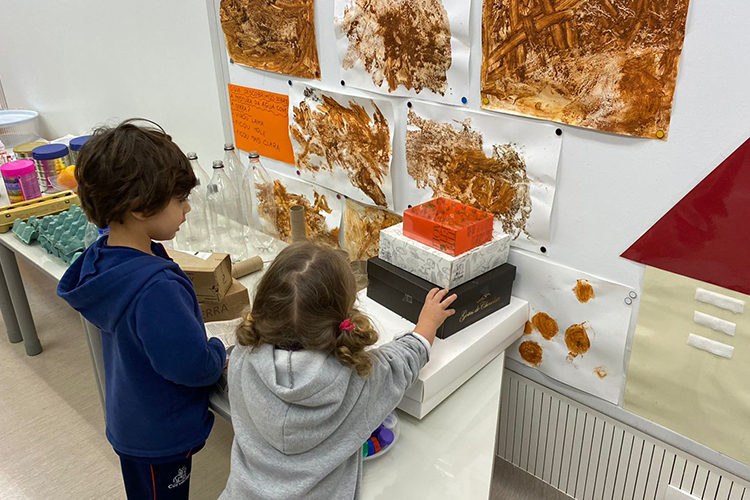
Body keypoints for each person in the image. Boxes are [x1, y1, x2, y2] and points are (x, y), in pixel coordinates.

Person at [58, 119, 226, 499]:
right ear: (138, 206)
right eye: (179, 199)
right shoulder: (155, 287)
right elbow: (190, 366)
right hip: (160, 435)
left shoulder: (104, 258)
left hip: (133, 418)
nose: (187, 208)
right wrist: (218, 352)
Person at [220, 242, 457, 500]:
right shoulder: (358, 380)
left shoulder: (242, 357)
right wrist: (428, 322)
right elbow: (404, 360)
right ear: (345, 316)